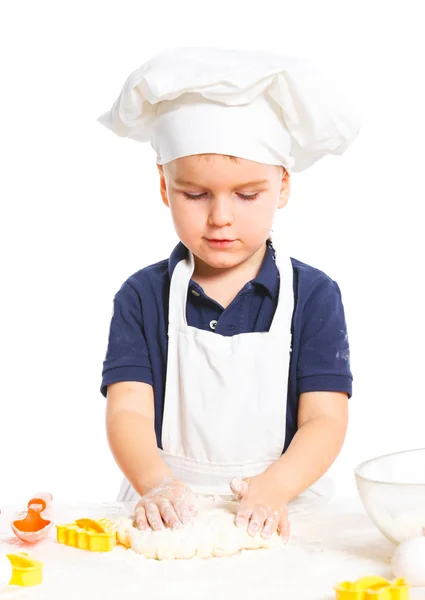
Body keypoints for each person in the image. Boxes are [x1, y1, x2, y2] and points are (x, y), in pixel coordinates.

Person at [97, 47, 360, 541]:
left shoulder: (314, 296)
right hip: (167, 514)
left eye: (247, 194)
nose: (220, 217)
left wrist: (274, 488)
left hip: (282, 508)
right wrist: (156, 485)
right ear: (163, 186)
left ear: (282, 185)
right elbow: (128, 410)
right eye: (195, 194)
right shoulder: (142, 297)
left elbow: (325, 417)